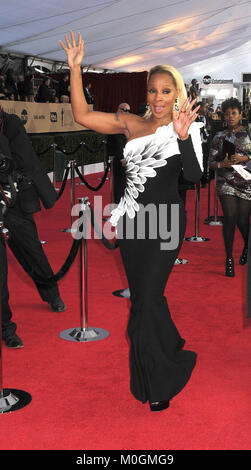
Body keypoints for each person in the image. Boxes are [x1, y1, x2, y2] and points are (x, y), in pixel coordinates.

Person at [60, 31, 203, 412]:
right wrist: (75, 70)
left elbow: (192, 177)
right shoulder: (129, 124)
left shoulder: (186, 126)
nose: (158, 98)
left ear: (177, 95)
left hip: (167, 222)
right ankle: (168, 349)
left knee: (148, 298)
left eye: (166, 91)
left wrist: (184, 137)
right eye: (153, 91)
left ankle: (160, 379)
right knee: (142, 299)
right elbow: (82, 115)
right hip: (132, 224)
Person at [0, 106, 66, 348]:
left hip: (14, 201)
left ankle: (52, 295)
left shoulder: (10, 124)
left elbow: (21, 160)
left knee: (31, 252)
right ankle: (6, 326)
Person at [209, 98, 251, 276]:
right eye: (227, 113)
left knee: (243, 220)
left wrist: (245, 159)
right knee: (230, 217)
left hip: (247, 180)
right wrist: (222, 164)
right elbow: (211, 162)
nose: (230, 116)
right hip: (226, 181)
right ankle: (229, 259)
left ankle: (247, 249)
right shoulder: (219, 136)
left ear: (241, 115)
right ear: (223, 116)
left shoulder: (249, 133)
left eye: (234, 113)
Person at [196, 101, 212, 186]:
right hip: (196, 144)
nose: (206, 109)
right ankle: (195, 180)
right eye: (205, 107)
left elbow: (210, 132)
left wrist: (208, 130)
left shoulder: (208, 118)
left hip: (205, 144)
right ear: (199, 108)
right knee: (197, 162)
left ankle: (204, 181)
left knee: (205, 162)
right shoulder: (194, 119)